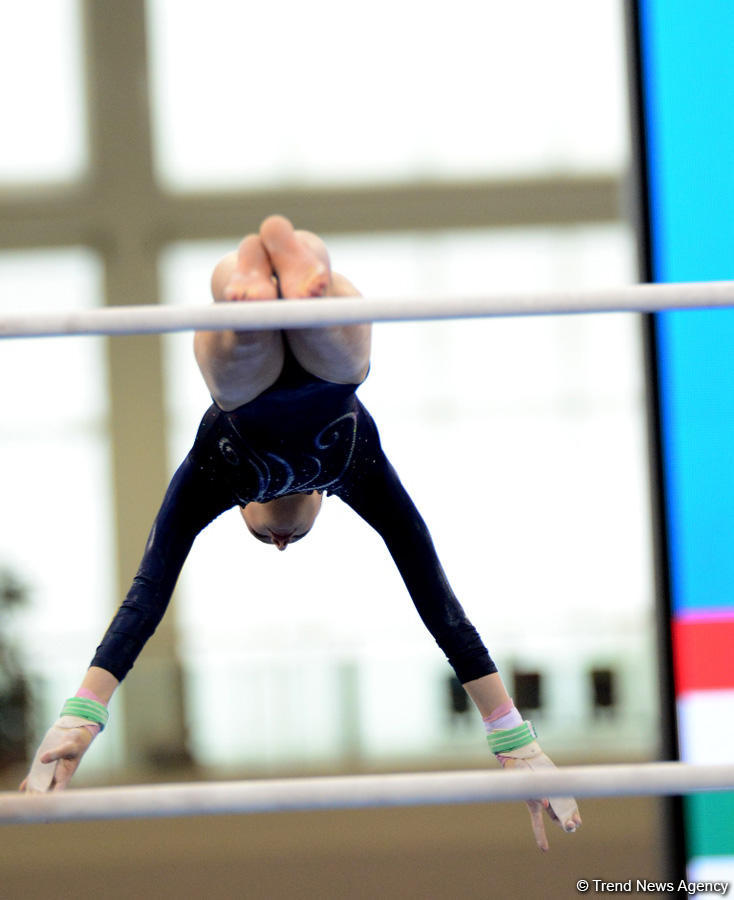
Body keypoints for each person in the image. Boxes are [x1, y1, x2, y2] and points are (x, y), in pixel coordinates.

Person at [21, 215, 581, 850]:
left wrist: (82, 713)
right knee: (340, 350)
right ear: (323, 497)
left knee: (237, 350)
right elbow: (438, 604)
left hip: (245, 396)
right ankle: (297, 276)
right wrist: (511, 737)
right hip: (329, 381)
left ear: (241, 509)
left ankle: (253, 285)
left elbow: (146, 599)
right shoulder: (358, 469)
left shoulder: (213, 474)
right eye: (290, 540)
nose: (281, 541)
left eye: (267, 541)